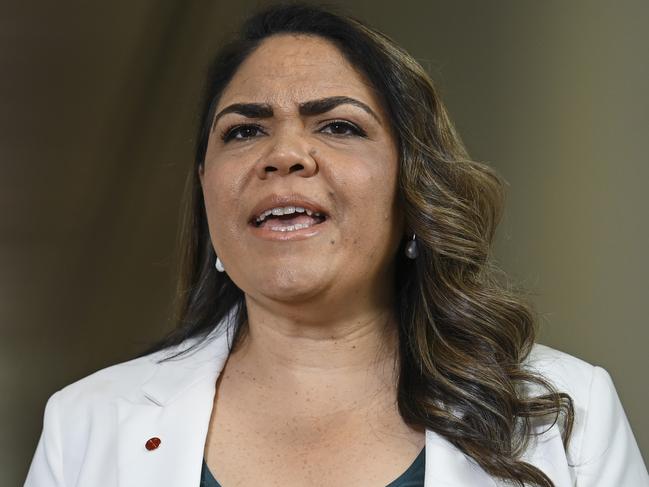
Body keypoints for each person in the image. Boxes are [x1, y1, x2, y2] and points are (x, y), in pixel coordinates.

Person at [24, 4, 648, 487]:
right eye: (243, 131)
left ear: (413, 187)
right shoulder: (87, 422)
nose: (285, 154)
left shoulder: (564, 413)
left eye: (339, 126)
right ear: (206, 188)